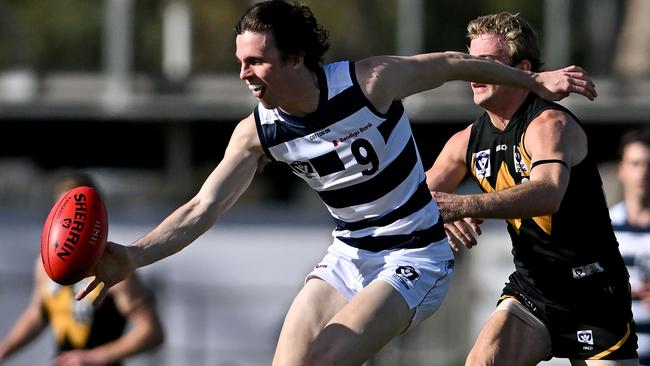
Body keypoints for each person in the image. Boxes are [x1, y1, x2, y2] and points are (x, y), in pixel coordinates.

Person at [76, 2, 597, 365]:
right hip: (349, 255)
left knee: (324, 360)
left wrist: (534, 82)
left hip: (414, 256)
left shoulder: (368, 82)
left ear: (296, 58)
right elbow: (202, 207)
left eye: (256, 60)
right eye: (240, 62)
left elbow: (453, 64)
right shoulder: (259, 132)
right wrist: (135, 255)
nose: (244, 74)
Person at [425, 12, 638, 366]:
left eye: (488, 64)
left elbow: (547, 193)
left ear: (520, 68)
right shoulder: (465, 141)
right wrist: (436, 213)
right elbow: (417, 198)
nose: (474, 75)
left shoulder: (549, 124)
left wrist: (463, 206)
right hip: (532, 290)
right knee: (482, 361)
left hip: (593, 293)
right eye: (471, 63)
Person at [0, 172, 164, 366]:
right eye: (63, 214)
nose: (71, 225)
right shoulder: (44, 266)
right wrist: (3, 352)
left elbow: (152, 332)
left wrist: (95, 357)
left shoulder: (113, 268)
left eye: (77, 218)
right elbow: (37, 315)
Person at [610, 128, 650, 365]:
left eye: (648, 163)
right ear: (622, 169)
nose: (643, 172)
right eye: (635, 163)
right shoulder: (604, 228)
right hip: (618, 356)